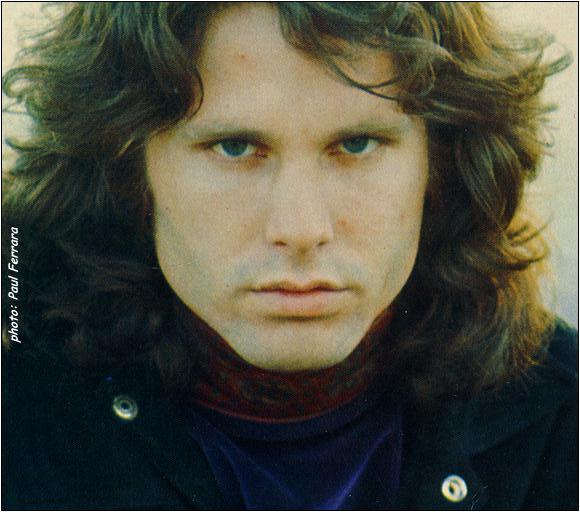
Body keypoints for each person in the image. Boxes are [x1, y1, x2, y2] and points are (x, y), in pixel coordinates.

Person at [2, 2, 577, 510]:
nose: (301, 230)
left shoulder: (561, 421)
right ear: (129, 172)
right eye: (235, 147)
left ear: (440, 168)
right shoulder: (18, 407)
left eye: (356, 144)